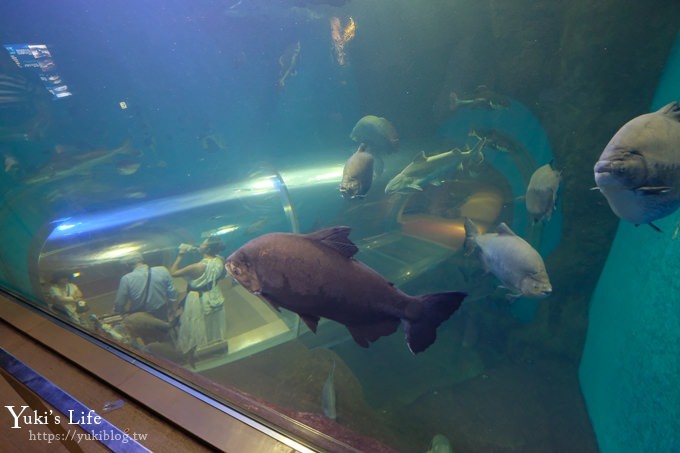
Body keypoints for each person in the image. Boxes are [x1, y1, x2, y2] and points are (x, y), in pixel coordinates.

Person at [170, 236, 227, 356]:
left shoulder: (196, 267)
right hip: (214, 293)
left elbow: (173, 272)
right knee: (212, 322)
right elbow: (222, 275)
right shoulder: (220, 260)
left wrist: (180, 255)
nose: (200, 245)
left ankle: (198, 350)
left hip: (197, 298)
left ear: (207, 249)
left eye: (202, 244)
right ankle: (214, 347)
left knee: (196, 323)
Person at [113, 252, 178, 344]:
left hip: (141, 318)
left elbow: (119, 303)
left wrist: (123, 314)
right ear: (141, 259)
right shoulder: (162, 270)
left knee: (150, 345)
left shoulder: (126, 279)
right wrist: (172, 309)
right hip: (161, 313)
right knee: (167, 339)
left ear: (127, 265)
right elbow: (172, 293)